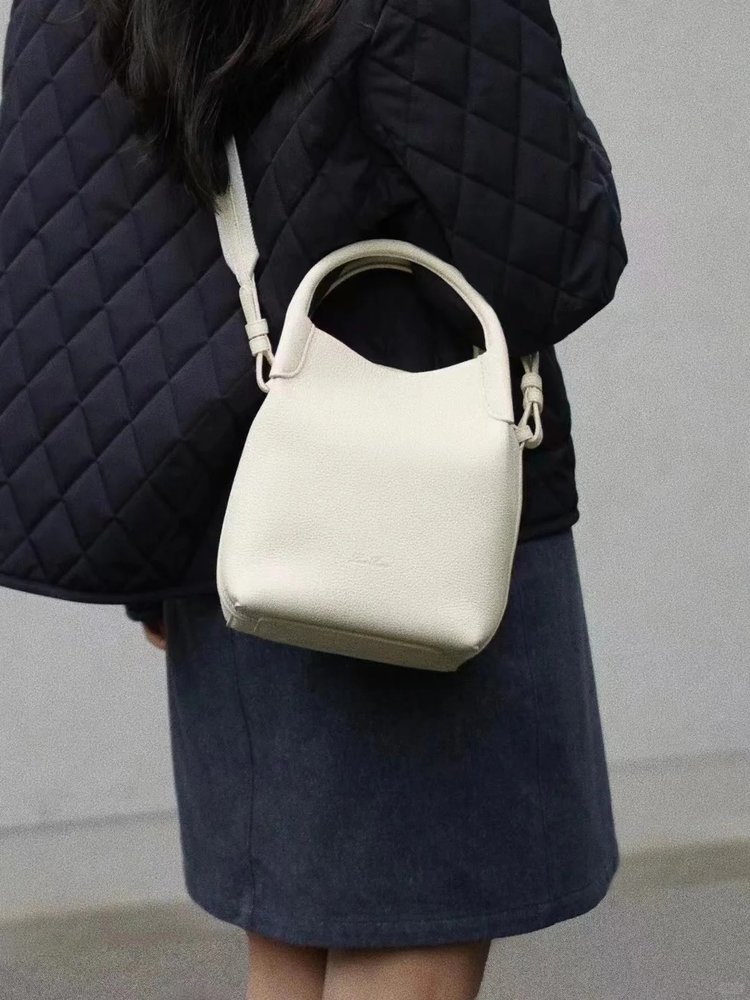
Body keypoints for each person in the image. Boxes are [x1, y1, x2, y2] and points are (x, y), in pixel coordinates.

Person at [0, 0, 627, 996]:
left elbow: (82, 267)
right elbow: (559, 256)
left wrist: (155, 560)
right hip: (422, 533)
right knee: (407, 955)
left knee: (290, 958)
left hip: (234, 534)